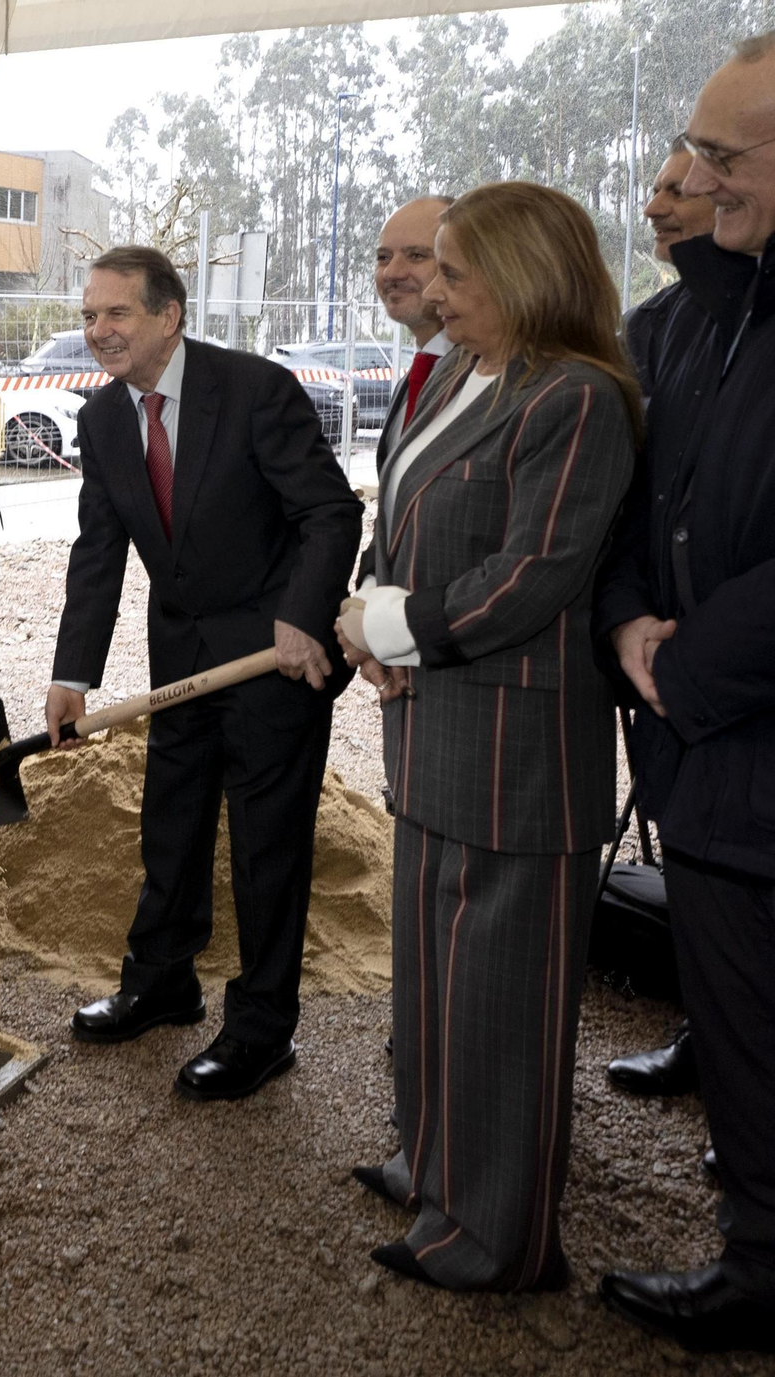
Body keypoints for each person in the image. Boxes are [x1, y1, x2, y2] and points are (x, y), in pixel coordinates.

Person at [335, 182, 639, 1290]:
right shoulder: (461, 372)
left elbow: (534, 572)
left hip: (517, 751)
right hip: (436, 732)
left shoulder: (576, 397)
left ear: (524, 276)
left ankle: (499, 1238)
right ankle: (433, 1167)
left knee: (500, 1003)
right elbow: (400, 518)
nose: (431, 288)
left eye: (455, 271)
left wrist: (394, 625)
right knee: (429, 977)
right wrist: (373, 605)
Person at [47, 245, 362, 1100]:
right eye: (88, 315)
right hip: (181, 655)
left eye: (116, 314)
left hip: (273, 660)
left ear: (167, 316)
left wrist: (302, 616)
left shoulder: (254, 389)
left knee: (267, 847)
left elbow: (330, 513)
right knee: (172, 818)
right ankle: (161, 980)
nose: (98, 331)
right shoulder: (105, 419)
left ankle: (262, 1029)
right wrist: (72, 671)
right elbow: (99, 552)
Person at [594, 34, 775, 1353]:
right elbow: (634, 515)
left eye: (720, 154)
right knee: (740, 1020)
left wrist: (687, 664)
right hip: (705, 765)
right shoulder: (698, 312)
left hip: (732, 718)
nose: (693, 180)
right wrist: (622, 625)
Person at [603, 137, 718, 1106]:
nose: (656, 206)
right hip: (653, 664)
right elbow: (625, 498)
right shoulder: (654, 327)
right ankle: (706, 1033)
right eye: (654, 187)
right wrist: (628, 613)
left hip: (732, 656)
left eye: (678, 186)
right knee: (687, 852)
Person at [623, 136, 721, 401]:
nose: (650, 209)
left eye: (677, 192)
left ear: (729, 200)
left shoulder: (756, 320)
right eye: (655, 192)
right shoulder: (644, 324)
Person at [372, 196, 454, 456]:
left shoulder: (495, 378)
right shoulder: (412, 382)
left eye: (416, 255)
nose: (391, 273)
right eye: (384, 257)